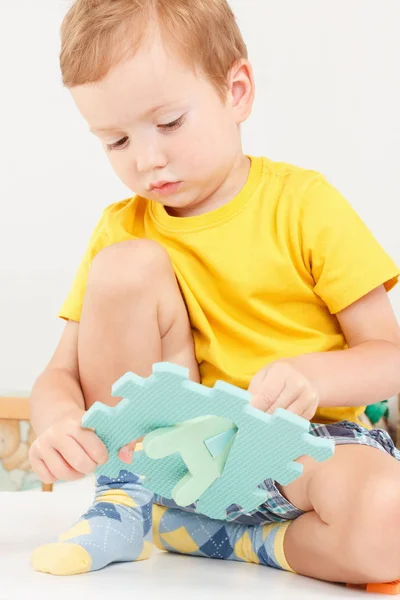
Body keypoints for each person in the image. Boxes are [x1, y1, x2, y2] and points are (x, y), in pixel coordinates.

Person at [29, 0, 400, 585]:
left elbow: (390, 359)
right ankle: (125, 504)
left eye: (170, 123)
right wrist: (57, 422)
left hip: (306, 452)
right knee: (125, 267)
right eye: (116, 141)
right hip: (170, 464)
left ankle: (242, 542)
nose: (147, 160)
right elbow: (59, 374)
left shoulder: (304, 204)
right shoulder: (120, 228)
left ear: (237, 91)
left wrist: (314, 376)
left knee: (389, 521)